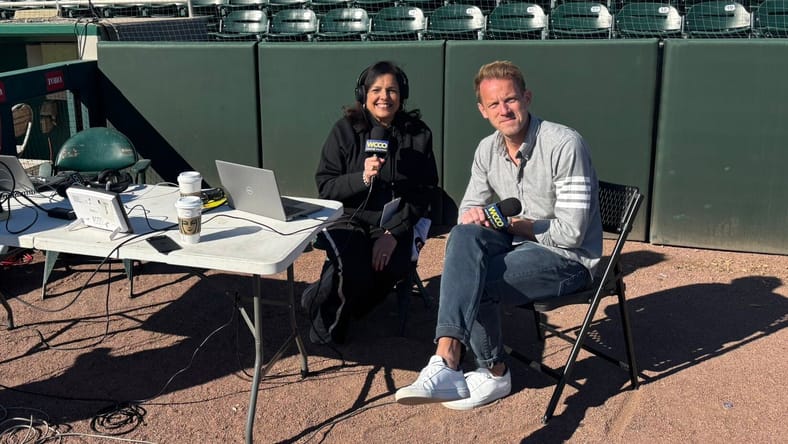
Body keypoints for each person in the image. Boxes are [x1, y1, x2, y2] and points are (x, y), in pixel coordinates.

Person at [394, 60, 602, 410]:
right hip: (516, 246)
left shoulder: (566, 144)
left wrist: (514, 225)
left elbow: (572, 233)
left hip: (568, 259)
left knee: (475, 282)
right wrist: (477, 217)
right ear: (483, 111)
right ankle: (445, 360)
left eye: (511, 100)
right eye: (494, 104)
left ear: (527, 97)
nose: (504, 110)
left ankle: (495, 372)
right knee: (464, 237)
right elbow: (465, 215)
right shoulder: (486, 149)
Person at [304, 61, 439, 344]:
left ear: (402, 95)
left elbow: (425, 191)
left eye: (391, 90)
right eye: (376, 89)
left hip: (393, 221)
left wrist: (393, 234)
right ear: (363, 94)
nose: (384, 97)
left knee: (389, 265)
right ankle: (328, 324)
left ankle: (322, 296)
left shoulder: (418, 134)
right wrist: (363, 178)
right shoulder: (344, 130)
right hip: (349, 217)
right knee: (351, 258)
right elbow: (326, 187)